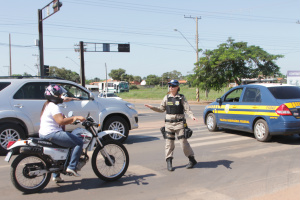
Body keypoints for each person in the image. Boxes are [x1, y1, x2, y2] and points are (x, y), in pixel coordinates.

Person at [145, 79, 197, 171]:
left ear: (177, 87)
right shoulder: (166, 97)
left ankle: (192, 159)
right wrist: (152, 107)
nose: (171, 87)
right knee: (169, 144)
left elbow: (187, 109)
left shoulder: (181, 97)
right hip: (168, 124)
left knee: (183, 143)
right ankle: (169, 162)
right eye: (169, 86)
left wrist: (192, 116)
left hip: (179, 123)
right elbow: (161, 109)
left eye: (173, 86)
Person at [39, 84, 85, 182]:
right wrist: (75, 118)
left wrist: (73, 98)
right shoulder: (54, 107)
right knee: (78, 142)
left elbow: (64, 99)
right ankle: (72, 167)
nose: (61, 96)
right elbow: (60, 121)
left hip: (44, 133)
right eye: (59, 95)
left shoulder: (48, 104)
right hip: (52, 133)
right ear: (54, 96)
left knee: (61, 149)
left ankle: (56, 176)